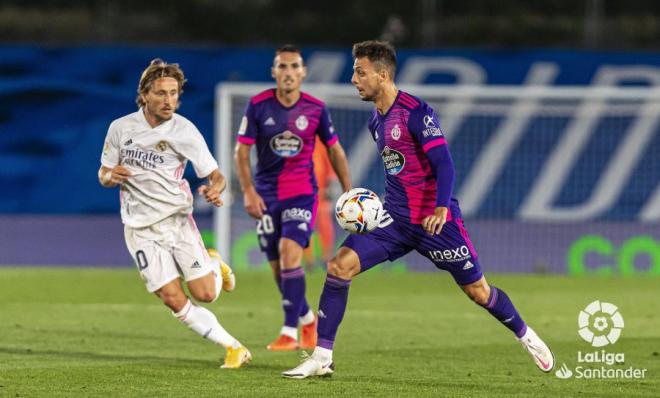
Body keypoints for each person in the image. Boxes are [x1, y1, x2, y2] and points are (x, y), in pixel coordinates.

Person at [283, 41, 555, 378]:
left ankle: (526, 335)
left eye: (360, 72)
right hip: (393, 221)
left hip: (435, 224)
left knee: (478, 292)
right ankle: (322, 357)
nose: (354, 79)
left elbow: (445, 164)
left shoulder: (416, 112)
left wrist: (441, 208)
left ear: (382, 76)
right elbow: (400, 169)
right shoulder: (375, 121)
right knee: (339, 266)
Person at [98, 59, 251, 369]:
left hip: (176, 222)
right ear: (144, 95)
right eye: (161, 93)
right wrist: (109, 176)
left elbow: (216, 175)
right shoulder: (120, 128)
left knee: (205, 294)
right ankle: (233, 347)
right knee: (171, 297)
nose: (169, 100)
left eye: (174, 93)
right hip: (139, 229)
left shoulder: (185, 131)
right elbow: (103, 171)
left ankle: (212, 263)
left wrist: (214, 189)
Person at [234, 44, 351, 351]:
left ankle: (289, 332)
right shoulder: (258, 105)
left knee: (289, 254)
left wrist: (348, 188)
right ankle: (308, 320)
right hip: (266, 196)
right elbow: (241, 152)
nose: (288, 72)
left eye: (294, 66)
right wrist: (248, 191)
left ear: (303, 72)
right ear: (274, 72)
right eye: (282, 67)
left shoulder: (315, 108)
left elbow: (335, 149)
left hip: (301, 194)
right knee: (278, 268)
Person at [303, 136, 338, 270]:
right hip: (303, 191)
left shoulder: (321, 141)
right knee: (305, 223)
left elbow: (329, 164)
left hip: (321, 192)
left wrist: (331, 185)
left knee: (324, 222)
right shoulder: (298, 140)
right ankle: (309, 260)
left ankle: (326, 257)